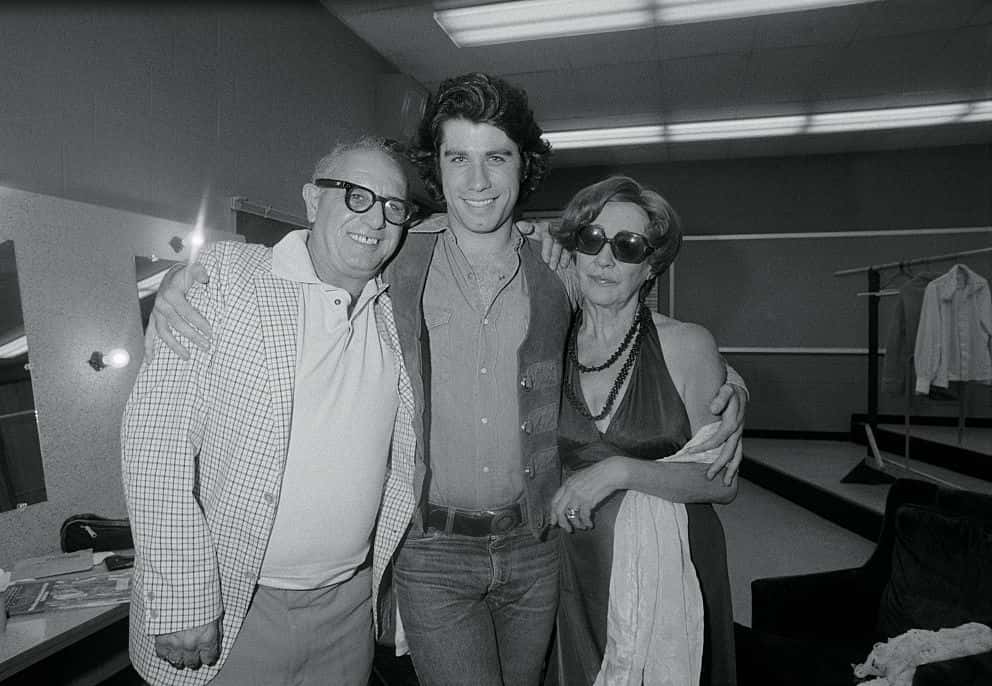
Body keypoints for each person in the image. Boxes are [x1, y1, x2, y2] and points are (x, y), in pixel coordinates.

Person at [145, 73, 747, 685]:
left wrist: (728, 383)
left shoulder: (557, 267)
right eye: (457, 157)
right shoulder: (397, 256)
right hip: (434, 554)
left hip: (536, 550)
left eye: (497, 158)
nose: (477, 181)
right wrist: (195, 274)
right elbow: (317, 253)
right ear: (437, 167)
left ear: (524, 166)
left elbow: (625, 321)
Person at [121, 136, 419, 686]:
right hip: (234, 604)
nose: (375, 219)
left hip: (349, 610)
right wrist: (184, 596)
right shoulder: (227, 278)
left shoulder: (394, 313)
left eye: (393, 207)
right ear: (311, 200)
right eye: (356, 195)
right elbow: (155, 443)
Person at [544, 176, 739, 685]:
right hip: (574, 567)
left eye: (627, 246)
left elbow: (721, 481)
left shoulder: (685, 344)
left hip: (673, 569)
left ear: (651, 265)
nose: (605, 259)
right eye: (591, 239)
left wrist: (619, 471)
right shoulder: (546, 340)